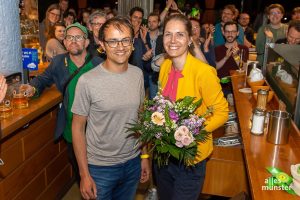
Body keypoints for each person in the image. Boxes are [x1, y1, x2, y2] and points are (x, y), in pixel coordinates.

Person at [71, 16, 150, 200]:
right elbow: (77, 128)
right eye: (113, 41)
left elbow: (140, 118)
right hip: (100, 168)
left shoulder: (137, 74)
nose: (120, 46)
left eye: (125, 40)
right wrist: (84, 174)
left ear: (132, 42)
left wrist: (144, 156)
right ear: (102, 44)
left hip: (132, 162)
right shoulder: (87, 81)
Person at [155, 14, 228, 200]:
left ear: (189, 39)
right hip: (164, 155)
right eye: (168, 34)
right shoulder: (165, 67)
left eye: (180, 35)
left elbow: (221, 112)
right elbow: (161, 104)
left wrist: (191, 132)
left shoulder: (204, 72)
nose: (172, 40)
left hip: (190, 158)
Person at [21, 22, 103, 183]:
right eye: (69, 37)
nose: (73, 40)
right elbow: (42, 79)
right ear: (64, 42)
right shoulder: (59, 62)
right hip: (71, 130)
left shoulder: (98, 64)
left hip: (97, 131)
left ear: (86, 42)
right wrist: (32, 88)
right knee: (81, 174)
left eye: (78, 37)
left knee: (99, 176)